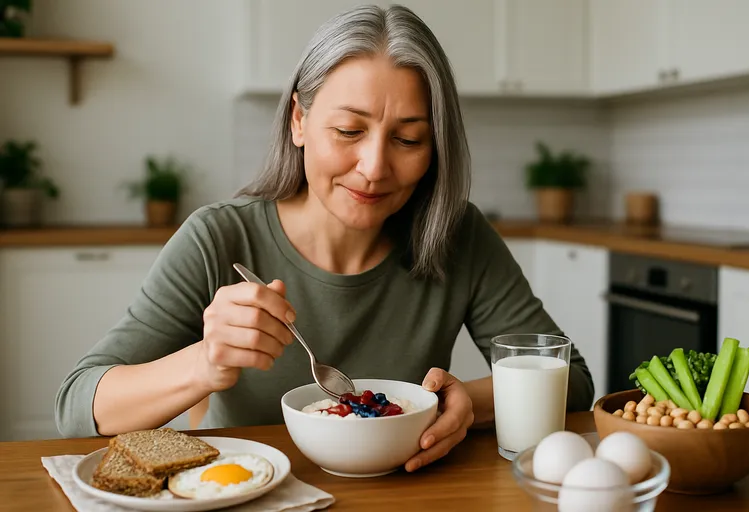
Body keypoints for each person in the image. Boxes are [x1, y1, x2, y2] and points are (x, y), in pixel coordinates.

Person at [55, 4, 594, 473]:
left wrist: (466, 404)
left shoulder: (458, 234)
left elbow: (569, 378)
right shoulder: (218, 237)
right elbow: (79, 406)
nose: (375, 167)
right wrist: (204, 364)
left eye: (408, 138)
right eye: (349, 131)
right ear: (298, 121)